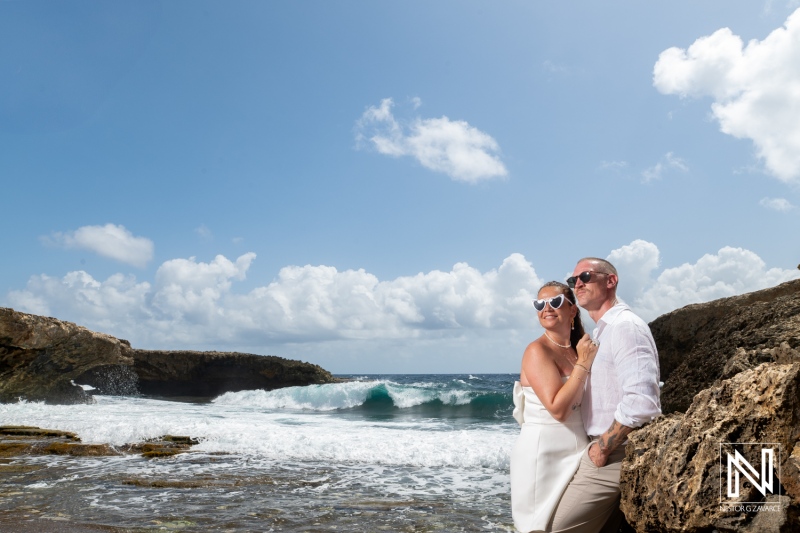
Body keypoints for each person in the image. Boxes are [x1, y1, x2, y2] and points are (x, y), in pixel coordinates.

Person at [549, 257, 661, 533]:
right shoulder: (602, 330)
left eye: (585, 277)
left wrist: (603, 448)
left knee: (560, 529)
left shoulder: (626, 327)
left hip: (614, 452)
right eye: (572, 280)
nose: (577, 284)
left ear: (611, 281)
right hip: (606, 449)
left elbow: (642, 401)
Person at [511, 281, 599, 533]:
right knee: (538, 526)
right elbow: (558, 409)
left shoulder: (576, 350)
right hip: (543, 454)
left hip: (578, 449)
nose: (547, 308)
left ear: (572, 310)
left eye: (556, 302)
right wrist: (583, 364)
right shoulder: (537, 350)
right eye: (540, 303)